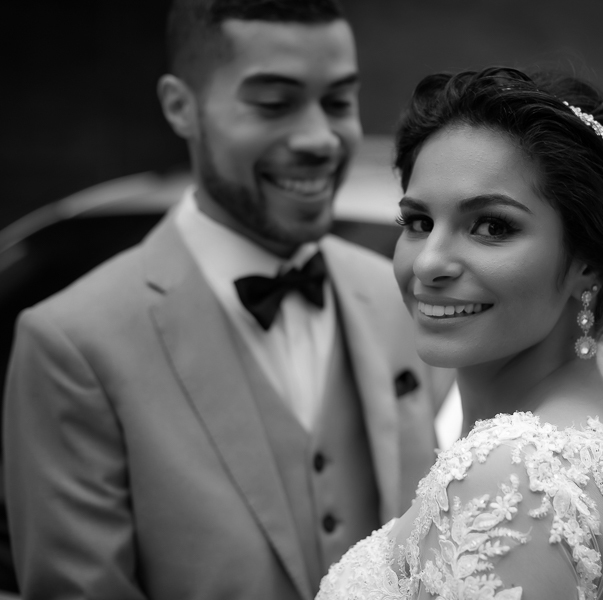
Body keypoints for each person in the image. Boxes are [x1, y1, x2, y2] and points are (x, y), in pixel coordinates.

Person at [3, 1, 453, 598]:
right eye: (274, 103)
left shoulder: (396, 291)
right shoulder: (72, 344)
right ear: (180, 107)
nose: (320, 138)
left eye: (339, 101)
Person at [316, 67, 603, 599]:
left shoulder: (516, 473)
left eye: (492, 226)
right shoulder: (601, 443)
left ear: (586, 261)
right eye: (418, 222)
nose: (429, 264)